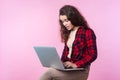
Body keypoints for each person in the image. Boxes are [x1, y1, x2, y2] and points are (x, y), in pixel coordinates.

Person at [40, 5, 97, 80]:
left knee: (50, 72)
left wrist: (76, 64)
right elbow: (65, 55)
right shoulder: (69, 33)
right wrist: (59, 64)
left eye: (66, 20)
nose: (64, 24)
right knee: (53, 73)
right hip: (70, 69)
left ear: (74, 18)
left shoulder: (87, 32)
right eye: (62, 21)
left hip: (81, 70)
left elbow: (93, 54)